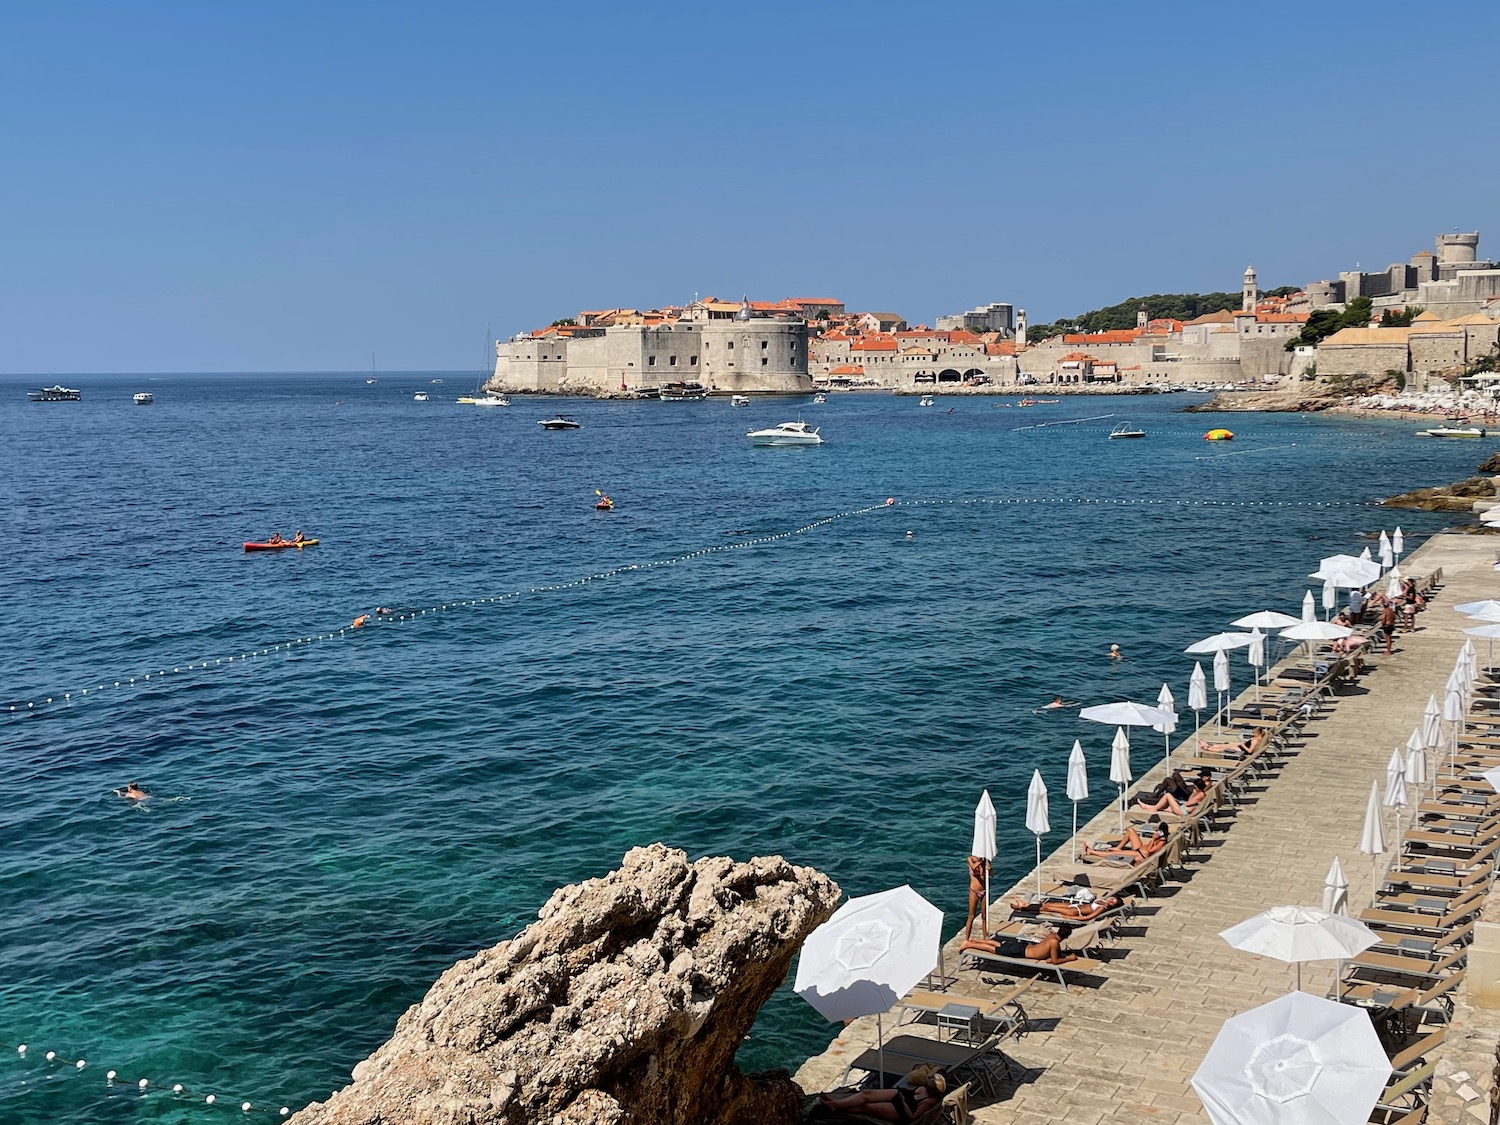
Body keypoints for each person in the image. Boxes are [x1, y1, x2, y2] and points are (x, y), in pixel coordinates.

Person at [817, 1072, 946, 1122]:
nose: (925, 1081)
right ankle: (836, 1104)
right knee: (865, 1094)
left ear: (932, 1089)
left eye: (928, 1083)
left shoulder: (929, 1102)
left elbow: (912, 1119)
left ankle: (837, 1108)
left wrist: (903, 1102)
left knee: (866, 1107)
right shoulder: (925, 1088)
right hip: (899, 1095)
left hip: (901, 1110)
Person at [960, 924, 1076, 965]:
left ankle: (974, 941)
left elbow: (1049, 952)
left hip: (1024, 946)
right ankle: (969, 945)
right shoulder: (1055, 942)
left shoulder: (1053, 936)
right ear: (1066, 936)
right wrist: (1069, 958)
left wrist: (1053, 957)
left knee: (999, 944)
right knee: (994, 949)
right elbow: (1055, 961)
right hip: (1022, 952)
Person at [1083, 823, 1169, 866]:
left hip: (1141, 855)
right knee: (1130, 830)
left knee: (1116, 854)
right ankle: (1118, 847)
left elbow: (1150, 851)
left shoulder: (1162, 842)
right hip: (1139, 849)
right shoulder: (1160, 839)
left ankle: (1092, 852)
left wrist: (1153, 839)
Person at [1009, 893, 1121, 921]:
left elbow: (1088, 917)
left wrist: (1071, 918)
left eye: (1112, 902)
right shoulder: (1103, 899)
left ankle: (1023, 907)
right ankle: (1024, 905)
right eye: (1112, 898)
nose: (1110, 900)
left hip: (1075, 911)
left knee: (1048, 908)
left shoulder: (1102, 907)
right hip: (1074, 905)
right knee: (1046, 905)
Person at [963, 854, 990, 940]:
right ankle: (966, 939)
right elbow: (973, 867)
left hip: (984, 891)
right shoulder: (970, 859)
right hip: (974, 891)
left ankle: (985, 938)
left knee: (984, 916)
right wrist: (980, 862)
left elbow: (992, 875)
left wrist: (990, 869)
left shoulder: (985, 861)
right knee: (971, 915)